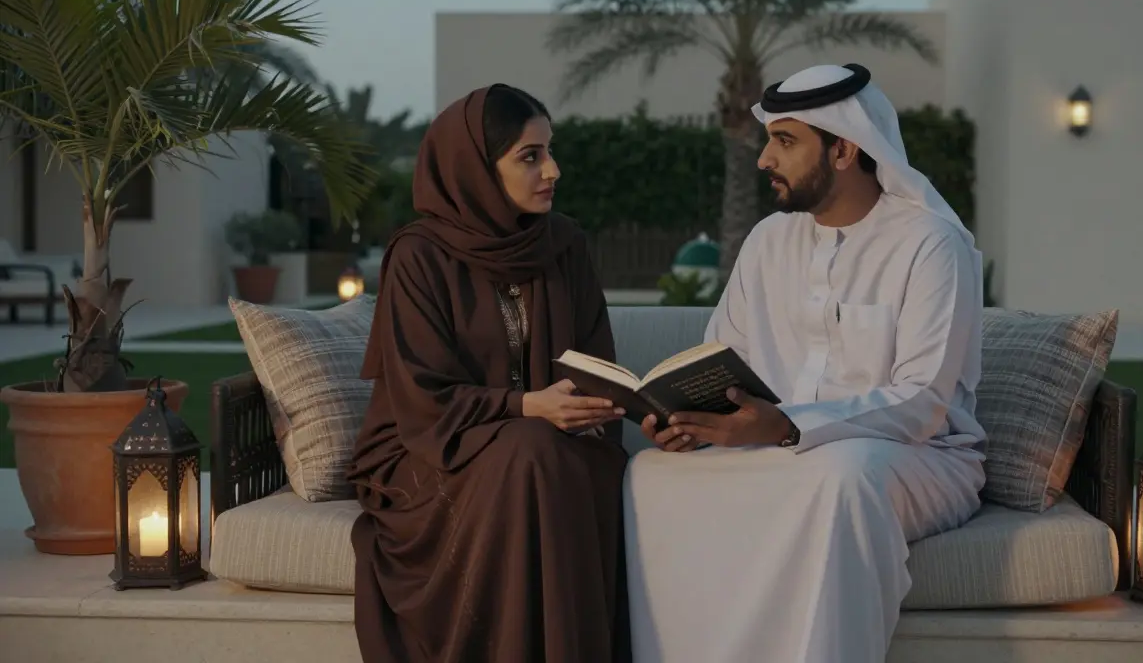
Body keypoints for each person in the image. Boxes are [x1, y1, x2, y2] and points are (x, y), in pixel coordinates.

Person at [623, 64, 988, 663]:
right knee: (650, 477)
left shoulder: (930, 245)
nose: (765, 159)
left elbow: (924, 402)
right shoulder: (769, 242)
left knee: (840, 475)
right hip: (774, 448)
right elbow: (723, 357)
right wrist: (689, 417)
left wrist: (789, 425)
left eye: (785, 142)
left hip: (918, 458)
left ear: (844, 149)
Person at [347, 84, 631, 663]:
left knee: (555, 455)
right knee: (533, 450)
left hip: (551, 444)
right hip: (427, 451)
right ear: (475, 168)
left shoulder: (564, 245)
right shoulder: (419, 256)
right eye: (529, 156)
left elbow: (597, 367)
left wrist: (632, 408)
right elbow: (420, 398)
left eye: (550, 151)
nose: (552, 169)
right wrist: (529, 407)